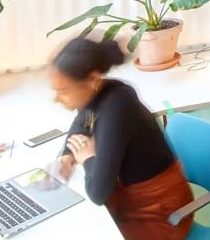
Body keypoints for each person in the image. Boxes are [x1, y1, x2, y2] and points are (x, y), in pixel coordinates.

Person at [49, 38, 193, 239]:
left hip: (162, 212)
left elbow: (98, 193)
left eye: (63, 90)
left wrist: (88, 158)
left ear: (92, 80)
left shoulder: (118, 106)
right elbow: (80, 123)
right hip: (131, 198)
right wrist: (66, 157)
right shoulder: (100, 91)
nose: (56, 98)